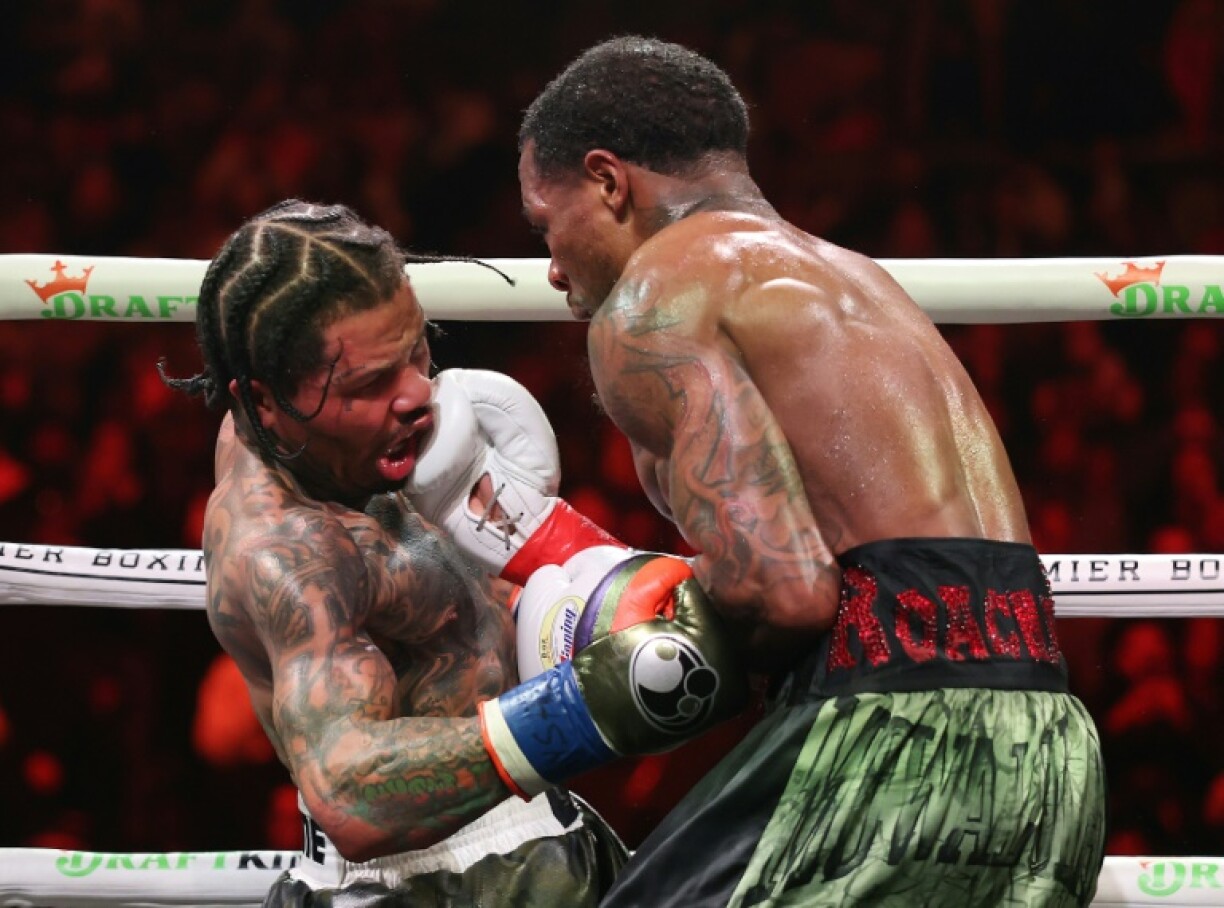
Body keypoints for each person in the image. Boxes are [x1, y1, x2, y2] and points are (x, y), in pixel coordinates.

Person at [516, 36, 1107, 907]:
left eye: (545, 224)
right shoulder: (860, 280)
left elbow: (785, 591)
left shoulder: (656, 298)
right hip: (1051, 754)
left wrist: (624, 648)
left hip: (893, 741)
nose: (553, 266)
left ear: (608, 181)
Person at [159, 199, 748, 906]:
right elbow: (349, 794)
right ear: (264, 402)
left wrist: (584, 589)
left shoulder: (332, 439)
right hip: (424, 884)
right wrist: (585, 704)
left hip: (530, 831)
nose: (419, 394)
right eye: (370, 383)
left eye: (417, 350)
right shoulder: (287, 550)